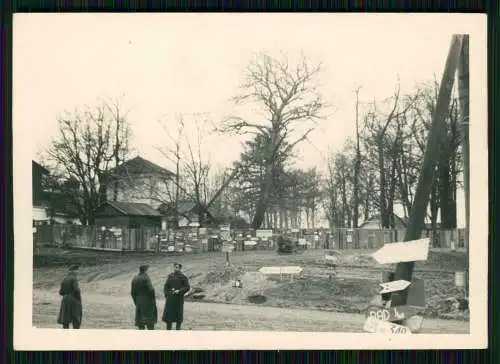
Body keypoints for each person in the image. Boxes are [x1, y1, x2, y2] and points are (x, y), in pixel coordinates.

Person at [162, 262, 190, 330]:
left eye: (177, 267)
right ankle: (168, 330)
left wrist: (179, 291)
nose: (175, 268)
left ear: (180, 268)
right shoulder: (170, 276)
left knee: (178, 316)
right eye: (174, 267)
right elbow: (166, 286)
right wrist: (167, 294)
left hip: (178, 299)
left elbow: (187, 287)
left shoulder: (183, 277)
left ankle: (178, 329)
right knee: (169, 315)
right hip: (170, 299)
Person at [131, 264, 158, 330]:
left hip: (139, 302)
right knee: (150, 323)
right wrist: (153, 301)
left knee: (140, 323)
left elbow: (132, 293)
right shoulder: (146, 278)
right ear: (146, 270)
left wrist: (136, 302)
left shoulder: (135, 278)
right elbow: (151, 290)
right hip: (148, 303)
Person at [57, 264, 83, 329]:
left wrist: (66, 295)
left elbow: (60, 292)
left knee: (65, 321)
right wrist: (78, 299)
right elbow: (76, 290)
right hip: (73, 299)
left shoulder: (64, 279)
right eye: (77, 270)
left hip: (65, 300)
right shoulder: (74, 278)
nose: (78, 272)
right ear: (74, 271)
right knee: (76, 319)